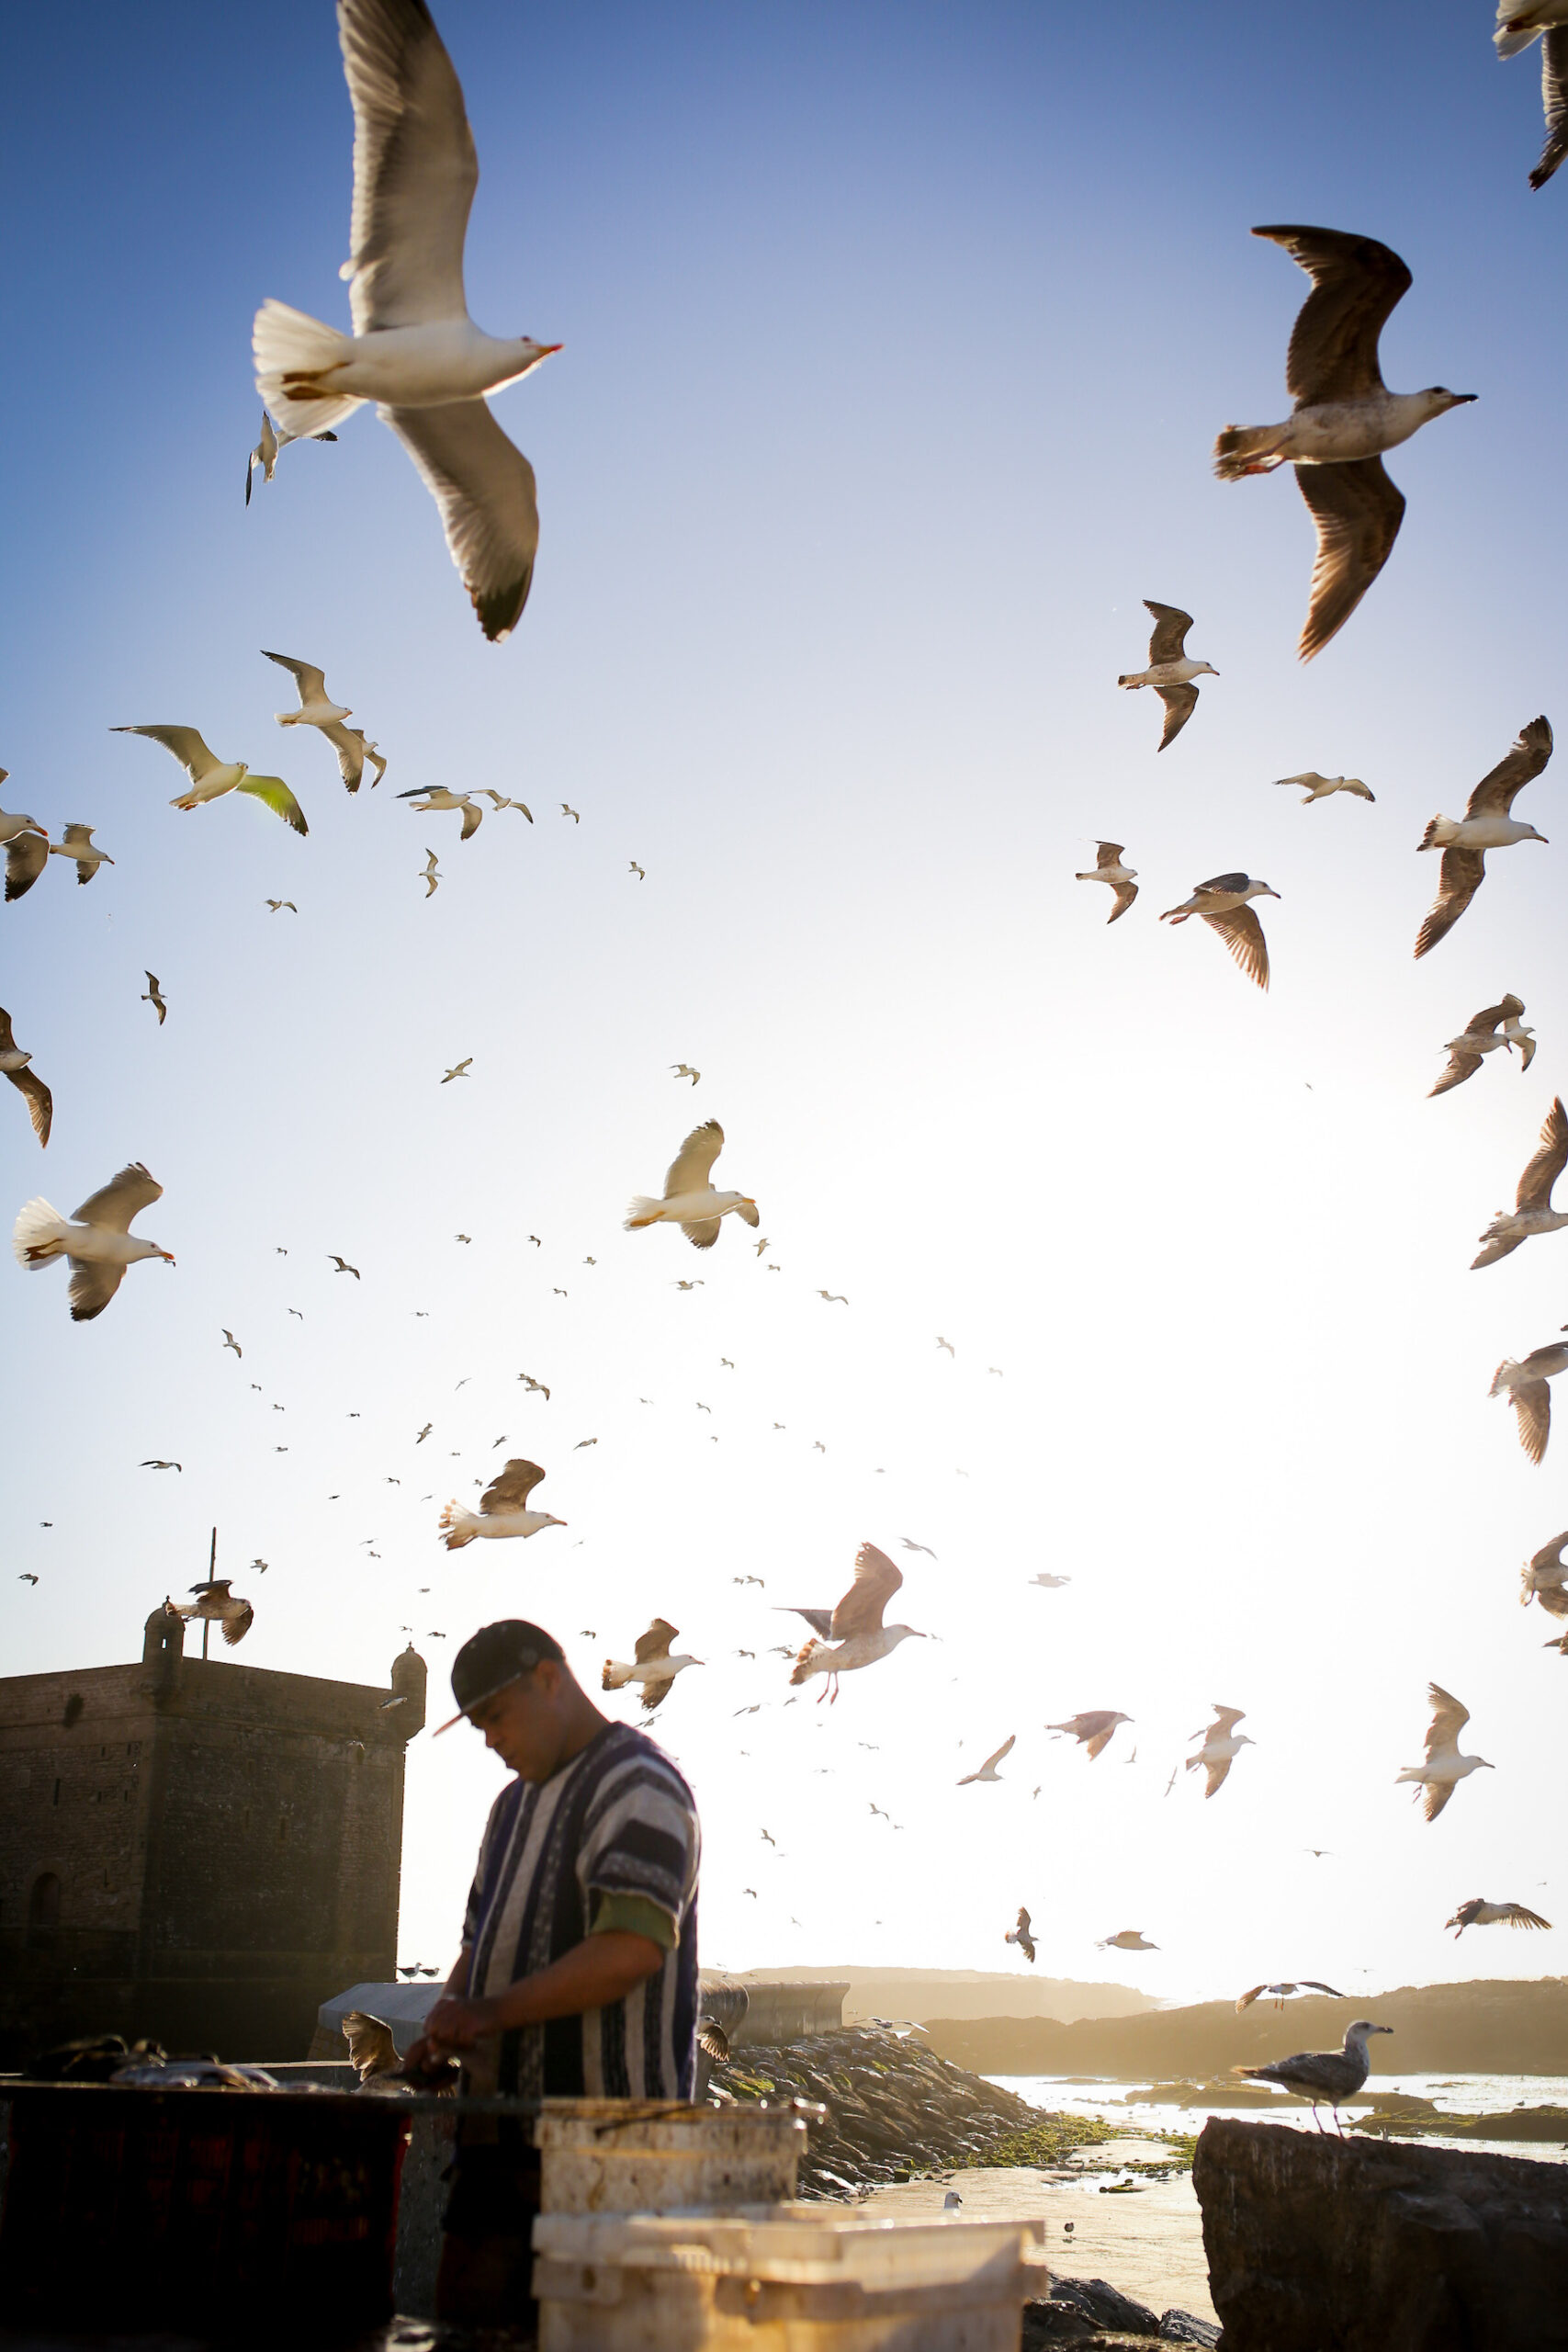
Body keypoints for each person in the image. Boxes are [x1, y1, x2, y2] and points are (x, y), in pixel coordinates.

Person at [404, 1617, 701, 2326]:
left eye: (495, 1716)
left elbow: (630, 1948)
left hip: (608, 2161)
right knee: (468, 2335)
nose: (489, 1739)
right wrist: (447, 2022)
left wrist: (488, 2014)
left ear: (548, 1680)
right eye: (478, 1725)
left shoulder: (638, 1784)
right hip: (491, 2156)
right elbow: (477, 1946)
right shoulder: (509, 1809)